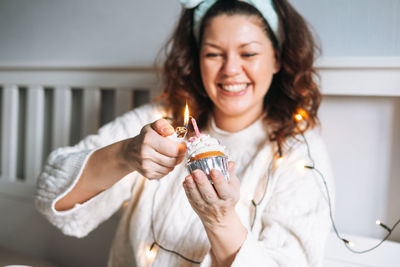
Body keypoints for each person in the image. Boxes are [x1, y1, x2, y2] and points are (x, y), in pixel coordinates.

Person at [35, 0, 334, 266]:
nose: (230, 69)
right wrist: (126, 154)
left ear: (277, 59)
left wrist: (220, 220)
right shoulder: (161, 123)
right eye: (214, 54)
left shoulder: (297, 155)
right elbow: (51, 197)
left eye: (248, 53)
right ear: (197, 59)